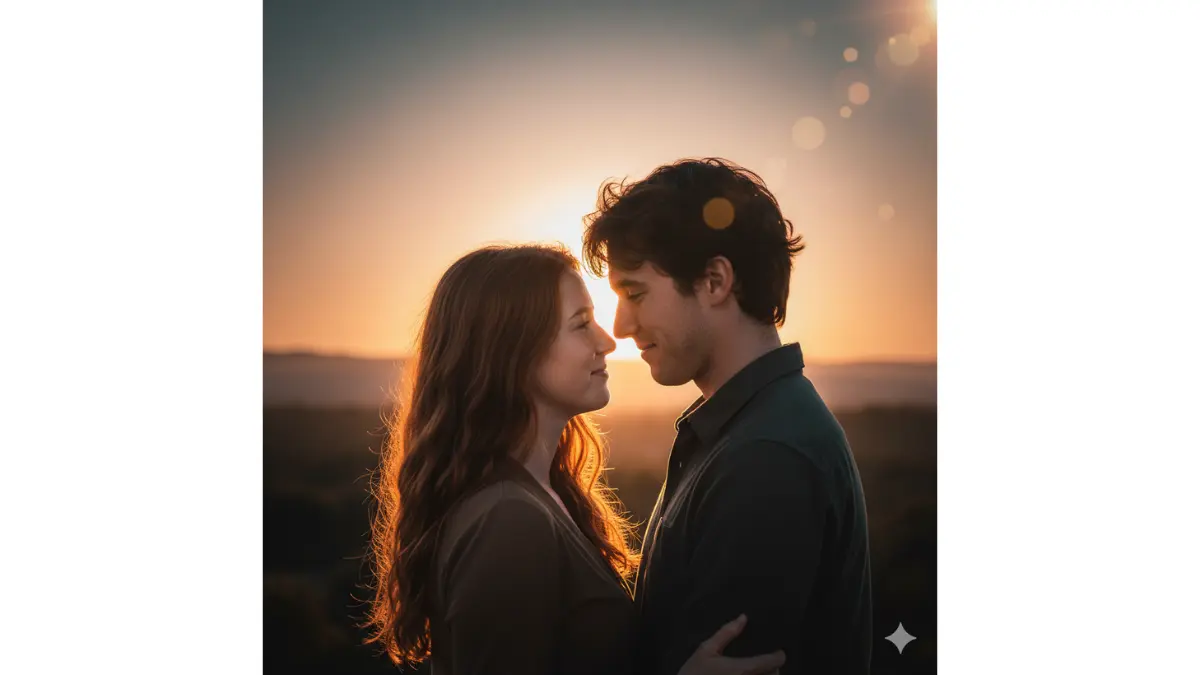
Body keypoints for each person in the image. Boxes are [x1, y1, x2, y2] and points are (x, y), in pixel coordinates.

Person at [365, 243, 787, 675]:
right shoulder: (509, 521)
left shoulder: (540, 496)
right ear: (512, 351)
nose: (607, 341)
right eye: (581, 324)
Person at [581, 158, 874, 675]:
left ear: (715, 281)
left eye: (635, 293)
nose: (621, 326)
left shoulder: (766, 458)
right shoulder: (745, 431)